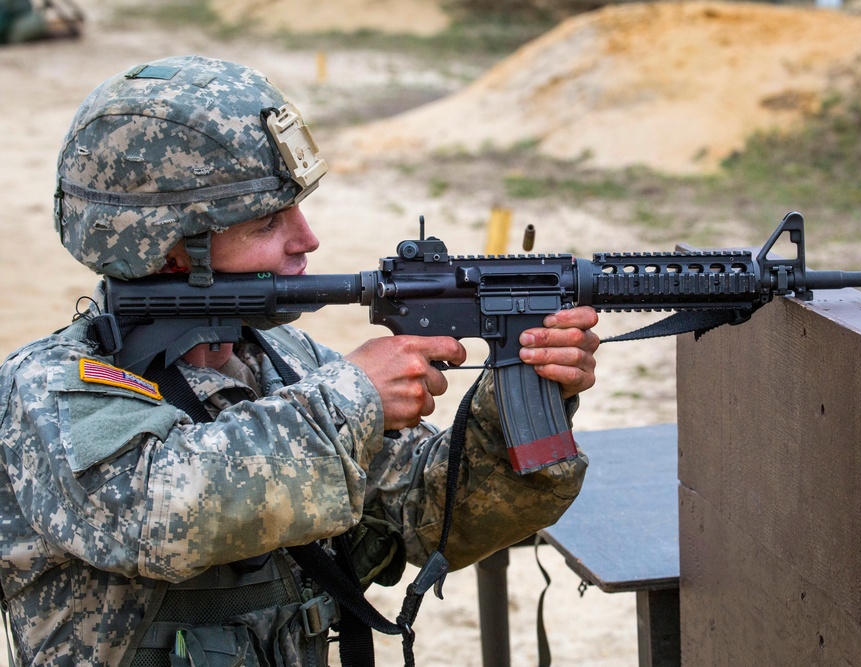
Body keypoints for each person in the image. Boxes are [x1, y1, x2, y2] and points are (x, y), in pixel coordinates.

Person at [0, 55, 598, 666]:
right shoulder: (46, 391)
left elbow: (431, 515)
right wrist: (354, 398)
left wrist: (524, 387)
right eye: (268, 220)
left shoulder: (285, 362)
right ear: (175, 247)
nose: (306, 238)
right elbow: (161, 513)